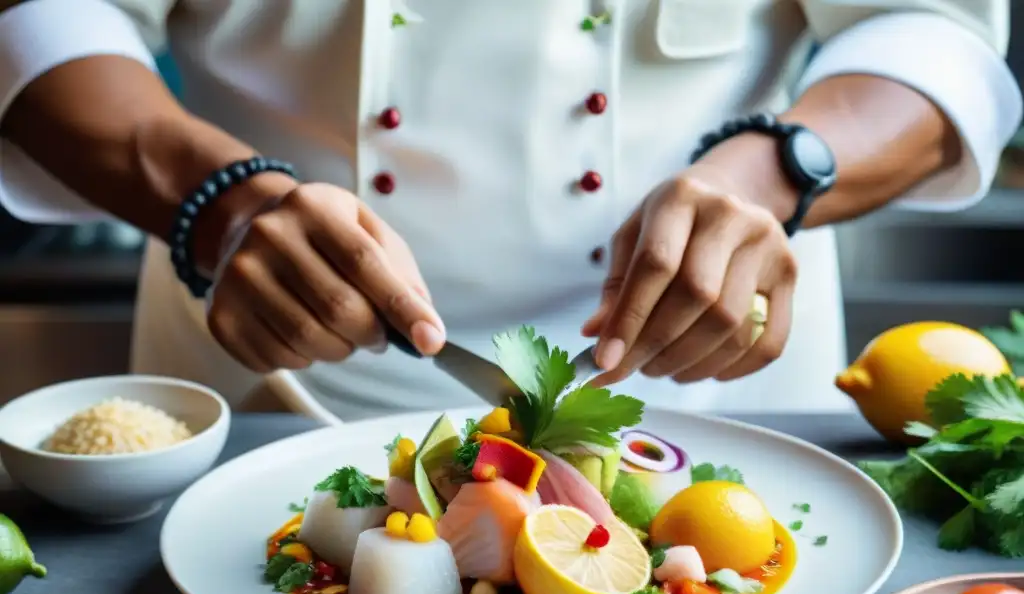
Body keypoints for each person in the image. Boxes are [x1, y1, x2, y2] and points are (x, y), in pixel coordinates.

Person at [0, 0, 1018, 422]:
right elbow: (39, 17)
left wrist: (774, 172)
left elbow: (932, 31)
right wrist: (215, 202)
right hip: (257, 373)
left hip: (719, 376)